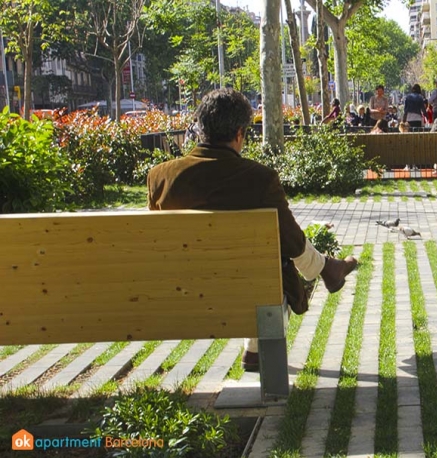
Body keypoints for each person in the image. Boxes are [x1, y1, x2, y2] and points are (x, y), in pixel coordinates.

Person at [146, 88, 358, 371]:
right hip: (247, 291)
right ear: (239, 133)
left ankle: (323, 269)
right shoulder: (258, 178)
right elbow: (292, 242)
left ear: (201, 130)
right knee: (268, 264)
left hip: (179, 295)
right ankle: (323, 268)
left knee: (250, 266)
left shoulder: (159, 176)